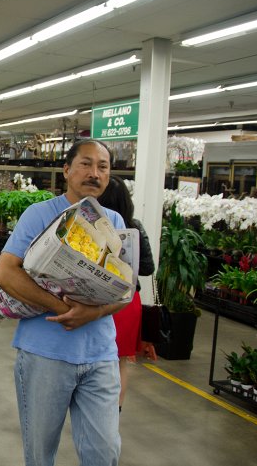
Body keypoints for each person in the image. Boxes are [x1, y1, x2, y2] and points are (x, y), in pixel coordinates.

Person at [0, 139, 127, 466]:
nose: (94, 173)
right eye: (85, 164)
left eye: (102, 167)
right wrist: (63, 309)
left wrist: (92, 313)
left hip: (100, 354)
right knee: (40, 454)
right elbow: (4, 272)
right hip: (45, 355)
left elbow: (126, 289)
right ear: (66, 170)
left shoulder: (115, 222)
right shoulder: (39, 214)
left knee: (105, 453)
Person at [97, 175, 155, 411]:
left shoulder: (92, 226)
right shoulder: (135, 226)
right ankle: (114, 410)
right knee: (119, 361)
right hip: (128, 301)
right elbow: (149, 267)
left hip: (98, 298)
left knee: (96, 358)